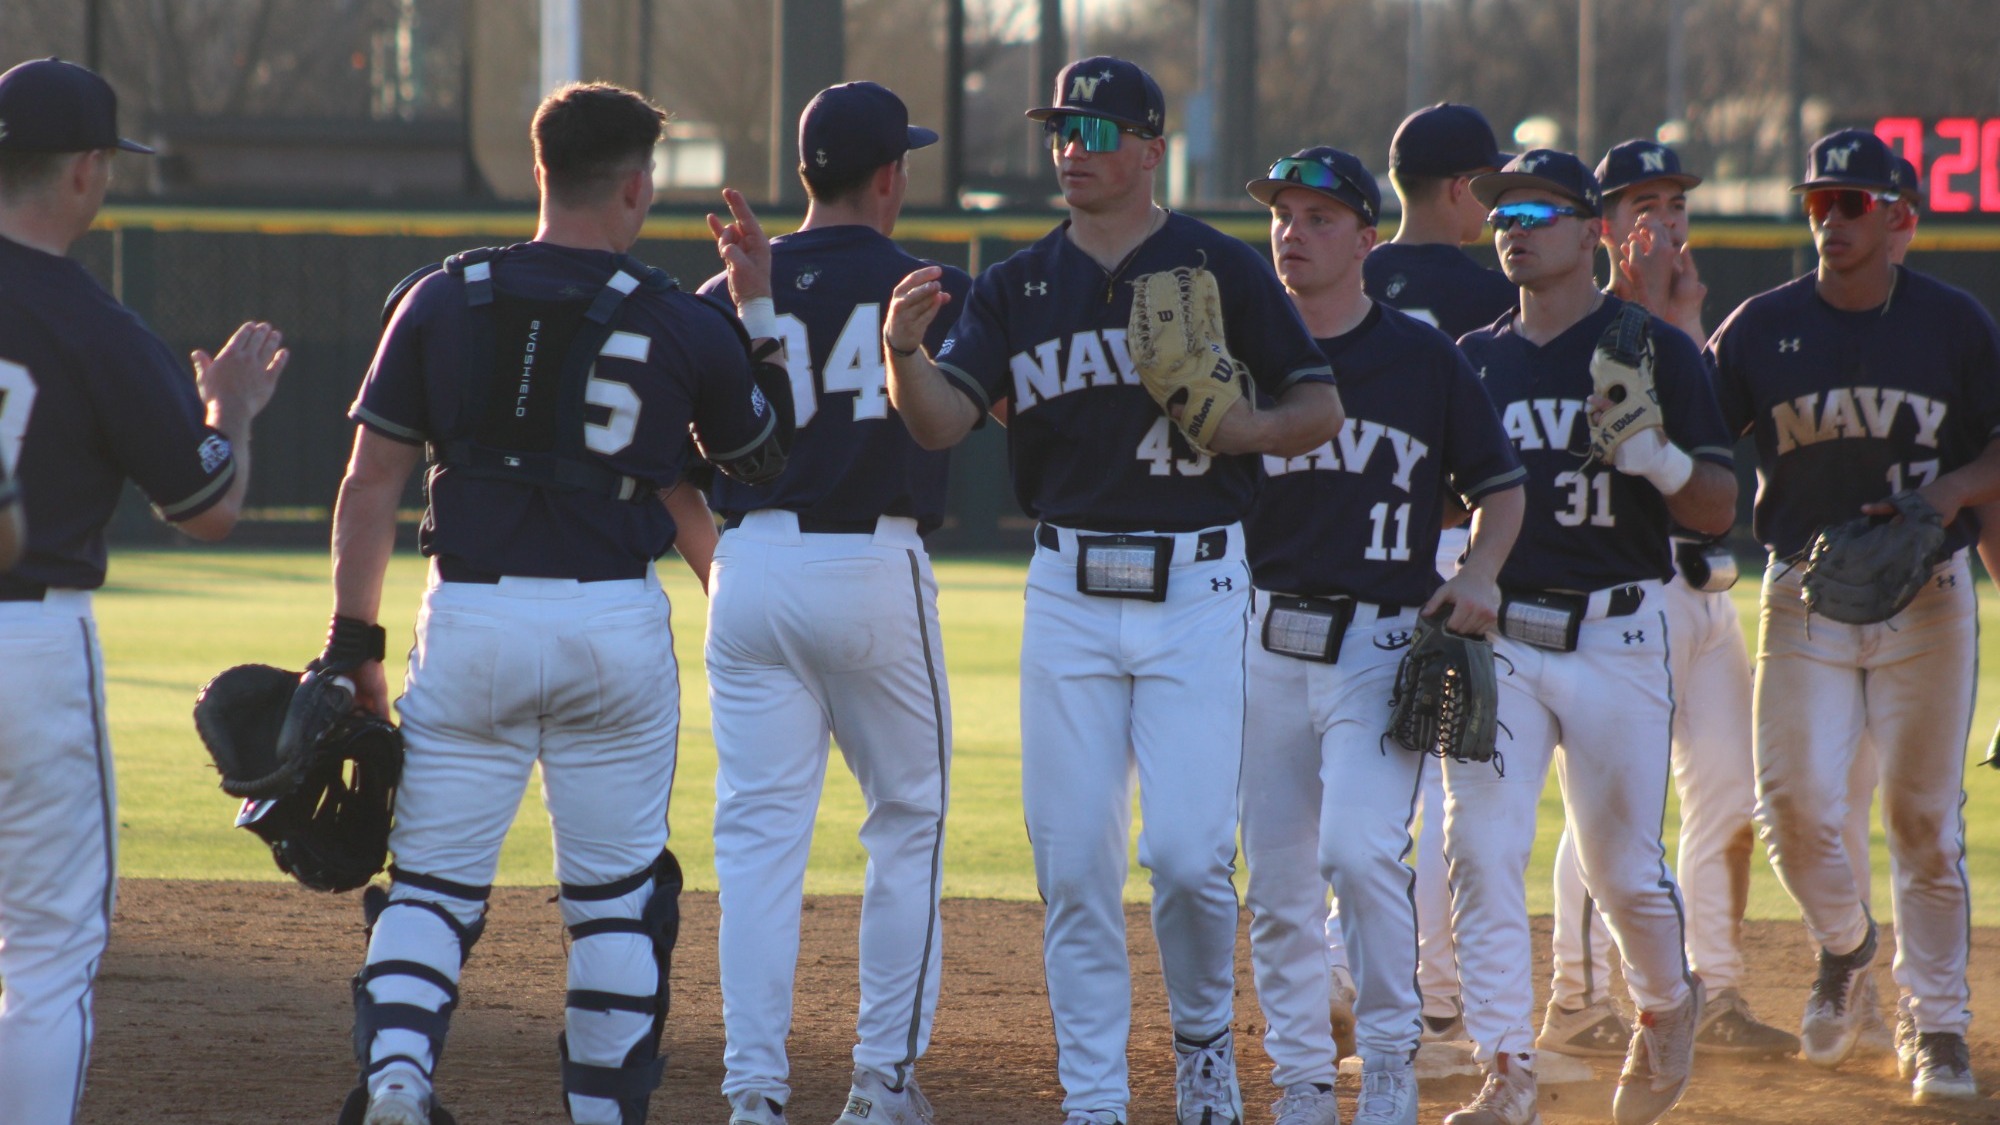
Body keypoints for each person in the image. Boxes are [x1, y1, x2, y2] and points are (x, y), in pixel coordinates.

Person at [881, 55, 1340, 1125]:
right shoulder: (1016, 283)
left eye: (1092, 132)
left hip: (1197, 587)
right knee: (1075, 866)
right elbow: (942, 421)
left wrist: (1250, 432)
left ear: (1148, 147)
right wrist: (900, 351)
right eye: (1059, 131)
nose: (1069, 150)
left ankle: (1198, 1050)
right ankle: (1092, 1096)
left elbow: (1316, 402)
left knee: (1184, 858)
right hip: (1069, 595)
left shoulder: (1218, 267)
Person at [325, 81, 791, 1125]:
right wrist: (753, 305)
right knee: (615, 902)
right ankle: (598, 1111)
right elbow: (762, 460)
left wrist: (353, 642)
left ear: (540, 171)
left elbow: (368, 483)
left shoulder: (440, 298)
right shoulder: (676, 317)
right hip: (609, 631)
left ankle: (398, 1081)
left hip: (472, 622)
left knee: (434, 892)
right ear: (637, 186)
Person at [0, 57, 289, 1125]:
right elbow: (206, 507)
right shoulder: (95, 325)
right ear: (85, 171)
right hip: (29, 649)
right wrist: (233, 410)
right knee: (47, 950)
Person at [1443, 150, 1738, 1125]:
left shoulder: (1652, 348)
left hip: (1616, 635)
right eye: (1497, 214)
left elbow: (1714, 509)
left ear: (1587, 232)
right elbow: (1441, 503)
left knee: (1620, 872)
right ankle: (1504, 1068)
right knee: (1478, 850)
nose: (1510, 227)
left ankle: (1663, 1004)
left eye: (1533, 210)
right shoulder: (1471, 359)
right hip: (1503, 643)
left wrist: (1656, 459)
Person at [695, 82, 969, 1125]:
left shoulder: (727, 287)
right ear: (891, 174)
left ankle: (754, 1096)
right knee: (907, 819)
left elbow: (686, 453)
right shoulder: (929, 284)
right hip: (871, 561)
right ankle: (877, 1086)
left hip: (748, 566)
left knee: (759, 840)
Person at [1708, 128, 2000, 1105]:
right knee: (1788, 806)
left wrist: (1950, 490)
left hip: (1926, 598)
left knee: (1923, 821)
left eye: (1850, 204)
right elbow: (1704, 447)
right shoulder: (1756, 328)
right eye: (1815, 203)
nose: (1827, 219)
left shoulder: (1954, 325)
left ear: (1900, 222)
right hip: (1802, 592)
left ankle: (1938, 1026)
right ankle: (1845, 947)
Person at [1235, 146, 1525, 1125]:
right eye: (1282, 213)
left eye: (1318, 217)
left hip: (1379, 643)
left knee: (1359, 852)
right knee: (1275, 887)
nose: (1292, 231)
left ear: (1367, 238)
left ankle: (1391, 1057)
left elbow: (1500, 488)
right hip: (1259, 644)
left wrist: (1478, 573)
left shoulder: (1421, 356)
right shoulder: (1236, 353)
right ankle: (1302, 1080)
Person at [1537, 139, 1798, 1062]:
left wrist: (1684, 313)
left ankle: (1717, 988)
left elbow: (1711, 463)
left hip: (1715, 596)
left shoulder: (1694, 324)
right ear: (1600, 226)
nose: (1665, 219)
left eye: (1676, 203)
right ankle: (1576, 997)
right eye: (1641, 203)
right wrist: (1661, 310)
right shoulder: (1590, 326)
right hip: (1633, 596)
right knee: (1609, 817)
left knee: (1727, 802)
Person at [1361, 103, 1520, 1040]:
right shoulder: (1487, 292)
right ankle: (1437, 992)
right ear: (1460, 188)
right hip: (1453, 542)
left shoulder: (1348, 270)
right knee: (1443, 781)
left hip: (1355, 540)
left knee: (1364, 775)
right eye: (1488, 187)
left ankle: (1359, 971)